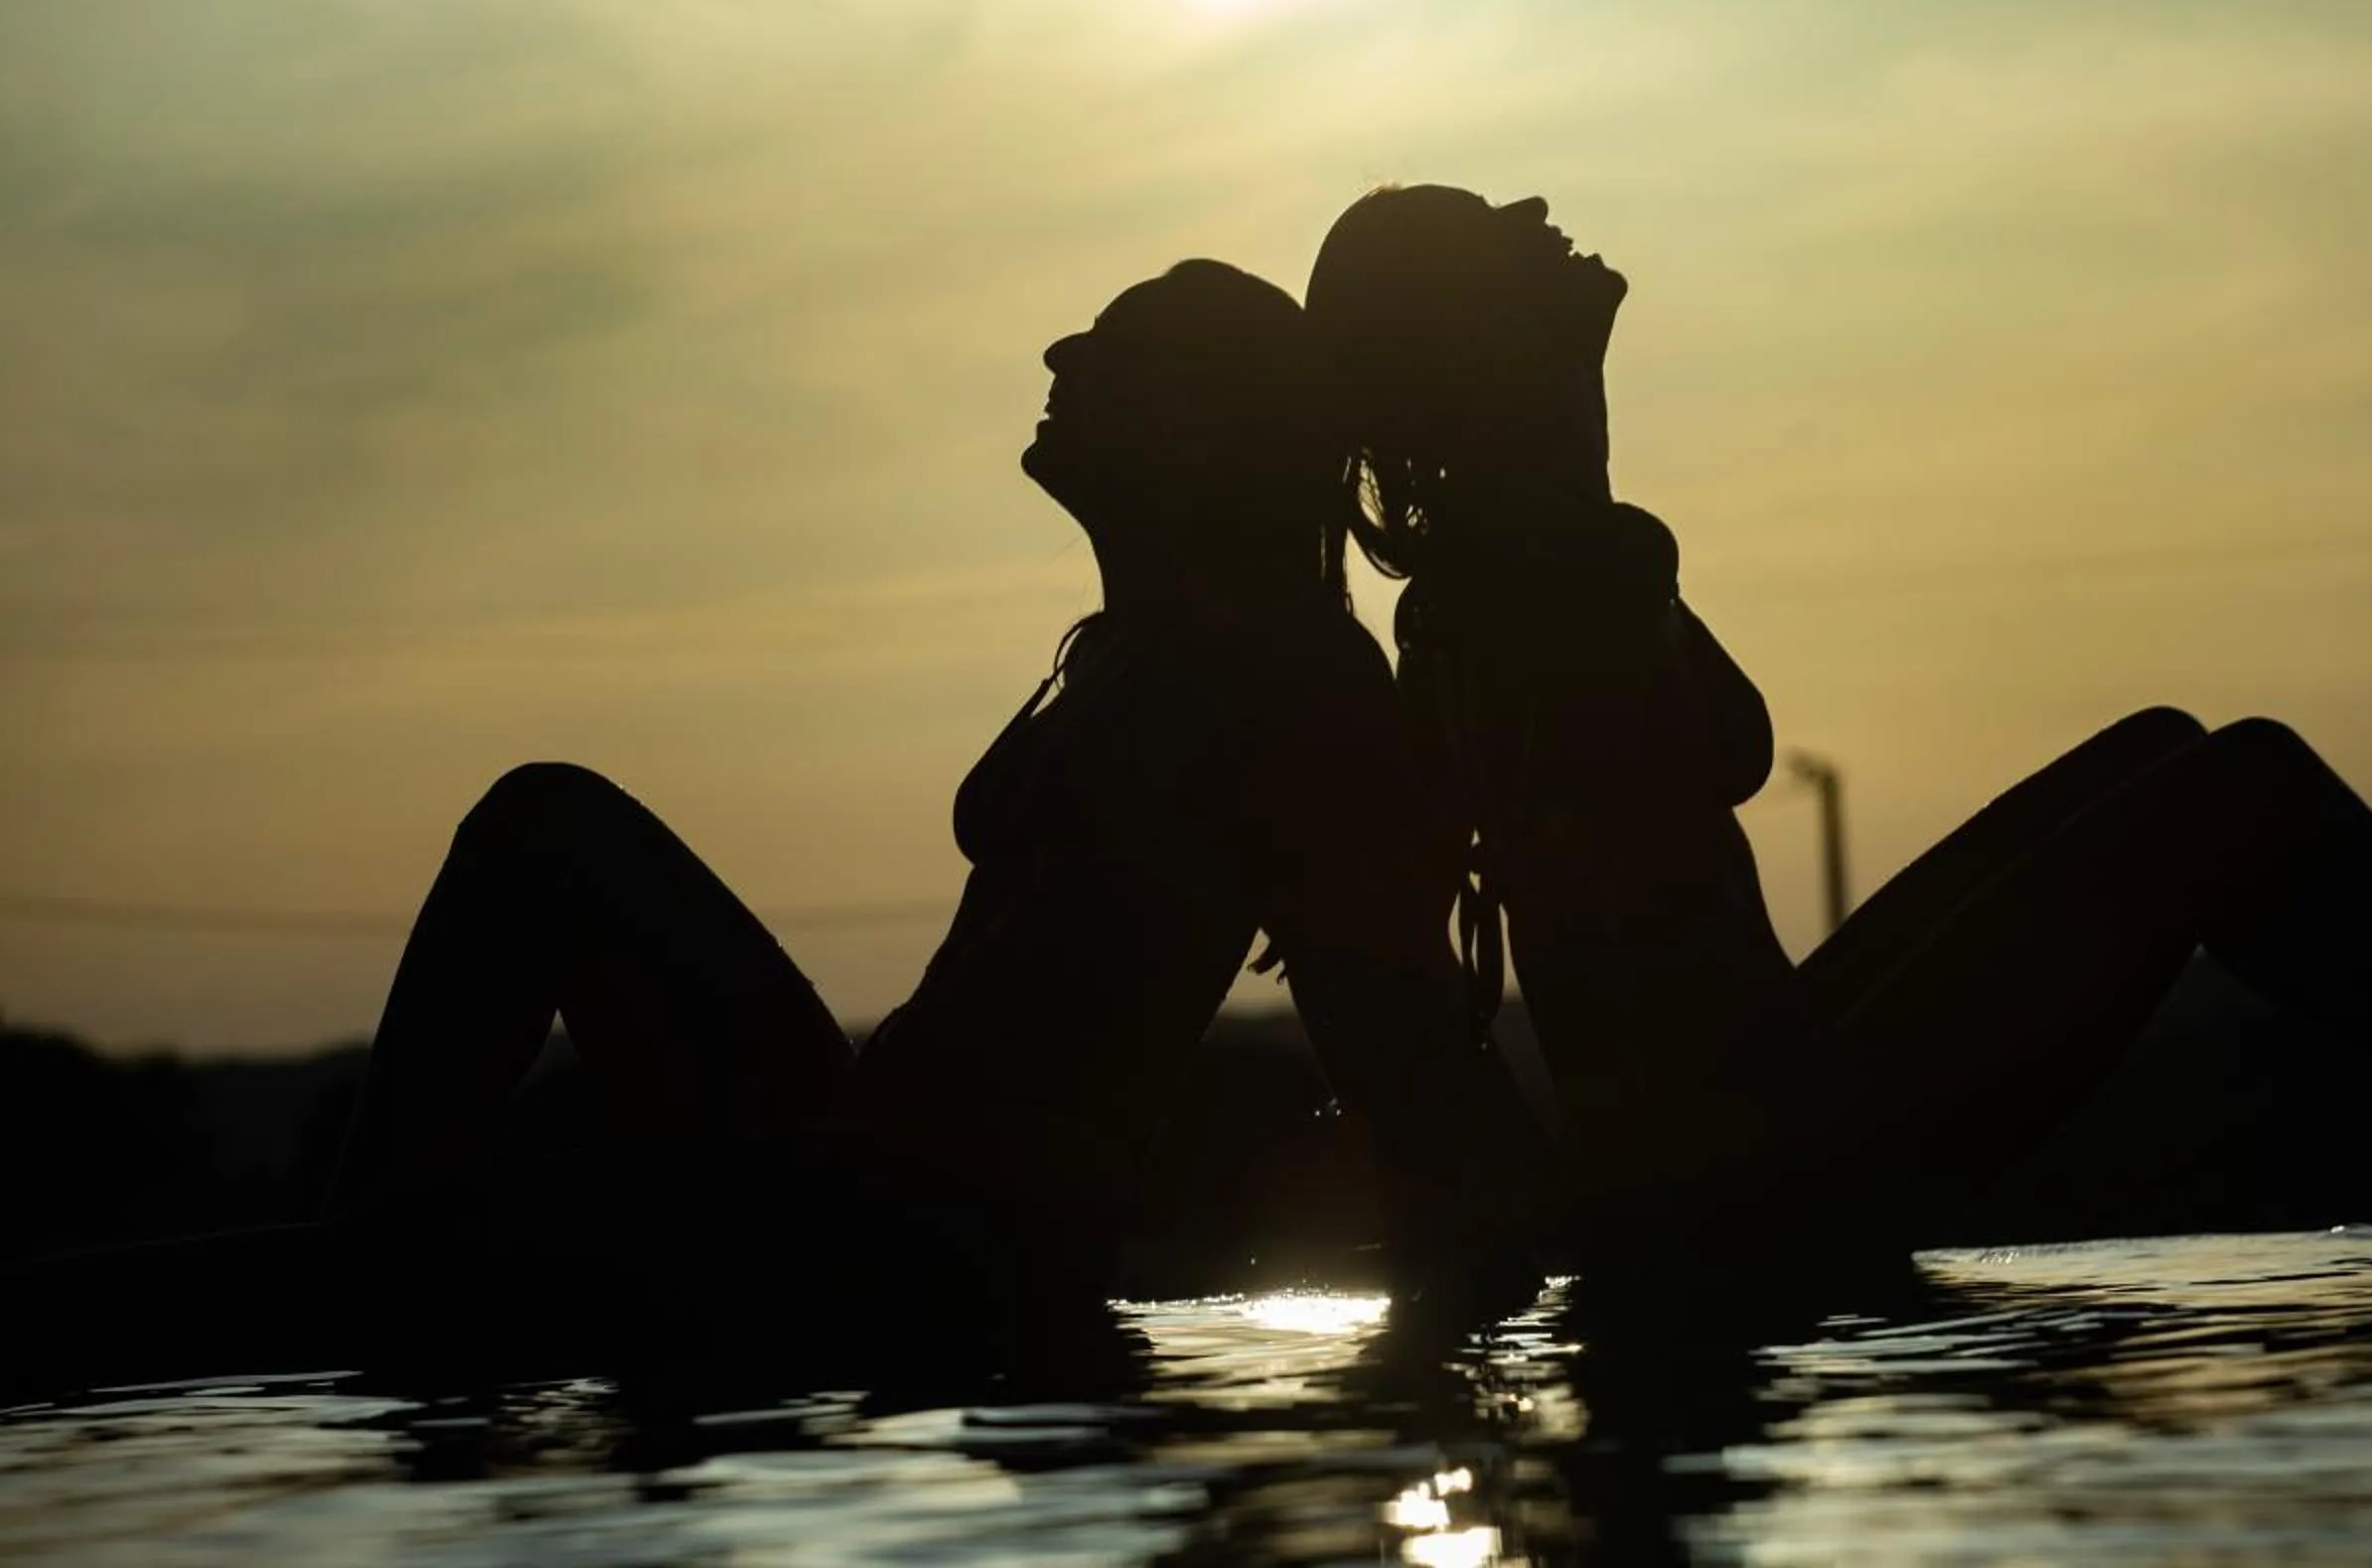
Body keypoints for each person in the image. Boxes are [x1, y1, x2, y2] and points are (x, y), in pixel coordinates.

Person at [18, 260, 1531, 1391]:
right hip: (862, 1133)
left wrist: (1525, 1285)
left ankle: (373, 1285)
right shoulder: (1127, 639)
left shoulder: (1281, 666)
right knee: (544, 824)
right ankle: (377, 1264)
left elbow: (1393, 1038)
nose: (1067, 349)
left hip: (945, 1225)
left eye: (1119, 347)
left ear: (1209, 428)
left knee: (312, 1281)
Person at [1301, 185, 2372, 1261]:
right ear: (1467, 348)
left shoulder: (1524, 555)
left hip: (1751, 1108)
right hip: (1758, 1162)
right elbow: (1693, 769)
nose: (1533, 220)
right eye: (1484, 236)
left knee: (2165, 744)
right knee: (2233, 791)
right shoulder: (1533, 567)